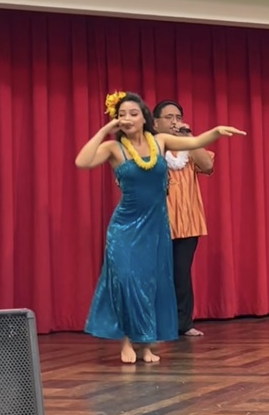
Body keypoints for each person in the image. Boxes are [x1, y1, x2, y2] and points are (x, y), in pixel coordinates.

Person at [74, 92, 245, 364]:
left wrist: (216, 131)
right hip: (125, 228)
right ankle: (128, 341)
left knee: (150, 286)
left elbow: (196, 141)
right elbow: (82, 162)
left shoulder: (160, 141)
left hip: (156, 227)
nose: (127, 118)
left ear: (144, 117)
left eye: (133, 113)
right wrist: (105, 130)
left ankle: (146, 345)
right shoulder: (113, 149)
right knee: (128, 282)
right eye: (121, 115)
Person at [153, 100, 215, 338]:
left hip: (188, 221)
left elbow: (207, 165)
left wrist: (189, 135)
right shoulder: (150, 146)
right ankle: (156, 323)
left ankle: (183, 323)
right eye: (168, 117)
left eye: (177, 116)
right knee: (157, 273)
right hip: (157, 222)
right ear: (155, 123)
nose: (174, 121)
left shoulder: (189, 146)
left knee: (181, 273)